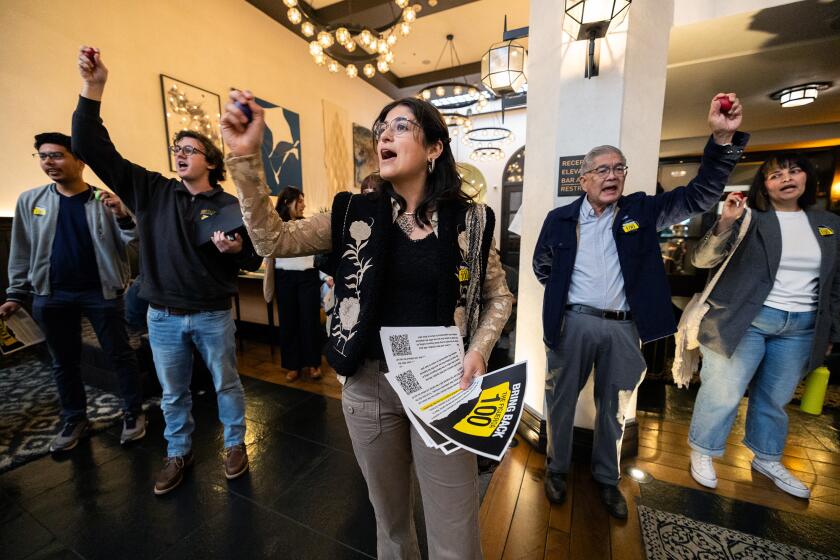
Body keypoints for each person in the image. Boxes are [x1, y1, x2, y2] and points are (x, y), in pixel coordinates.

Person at [222, 90, 513, 559]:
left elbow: (498, 296)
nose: (385, 135)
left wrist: (478, 349)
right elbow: (269, 238)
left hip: (443, 383)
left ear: (435, 148)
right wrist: (243, 158)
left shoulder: (472, 220)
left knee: (455, 530)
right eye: (382, 128)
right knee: (391, 524)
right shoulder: (350, 211)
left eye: (400, 126)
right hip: (369, 385)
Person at [533, 94, 747, 518]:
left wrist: (721, 142)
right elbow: (543, 266)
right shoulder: (559, 219)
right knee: (559, 402)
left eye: (619, 168)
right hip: (571, 325)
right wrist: (566, 297)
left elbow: (701, 195)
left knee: (615, 407)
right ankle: (556, 469)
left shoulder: (642, 211)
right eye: (602, 169)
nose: (612, 176)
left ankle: (607, 479)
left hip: (623, 328)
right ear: (584, 179)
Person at [73, 47, 262, 495]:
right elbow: (88, 144)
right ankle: (178, 451)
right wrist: (93, 85)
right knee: (172, 393)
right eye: (176, 149)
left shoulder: (229, 205)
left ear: (211, 162)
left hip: (213, 314)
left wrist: (234, 248)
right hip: (162, 318)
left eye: (190, 150)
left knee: (226, 384)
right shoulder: (152, 191)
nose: (180, 155)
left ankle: (236, 443)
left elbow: (252, 258)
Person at [688, 157, 840, 499]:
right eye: (775, 174)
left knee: (775, 398)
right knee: (722, 392)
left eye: (794, 171)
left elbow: (836, 283)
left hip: (801, 325)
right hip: (744, 321)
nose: (786, 178)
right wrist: (725, 221)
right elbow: (701, 260)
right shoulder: (750, 218)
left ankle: (767, 458)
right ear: (764, 185)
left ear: (807, 178)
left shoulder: (829, 224)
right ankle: (703, 449)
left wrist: (831, 331)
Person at [0, 132, 145, 451]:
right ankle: (74, 417)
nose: (49, 162)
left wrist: (122, 213)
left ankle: (133, 413)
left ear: (80, 160)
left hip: (102, 293)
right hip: (51, 296)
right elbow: (20, 250)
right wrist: (14, 294)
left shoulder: (104, 200)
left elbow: (133, 240)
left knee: (120, 355)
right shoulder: (30, 201)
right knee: (63, 361)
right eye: (43, 156)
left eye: (57, 155)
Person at [262, 187, 328, 381]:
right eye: (299, 201)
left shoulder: (308, 225)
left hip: (308, 277)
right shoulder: (276, 226)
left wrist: (325, 277)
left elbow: (320, 254)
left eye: (303, 201)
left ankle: (313, 364)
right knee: (288, 322)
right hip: (285, 277)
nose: (303, 204)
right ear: (286, 202)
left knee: (310, 322)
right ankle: (293, 366)